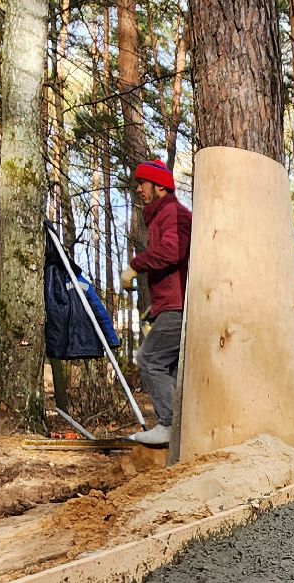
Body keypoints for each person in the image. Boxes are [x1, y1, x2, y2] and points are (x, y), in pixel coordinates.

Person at [121, 161, 192, 447]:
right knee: (170, 369)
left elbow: (173, 251)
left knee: (150, 359)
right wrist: (157, 305)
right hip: (172, 304)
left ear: (160, 186)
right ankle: (180, 432)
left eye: (143, 183)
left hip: (178, 306)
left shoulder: (173, 212)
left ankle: (168, 426)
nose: (138, 189)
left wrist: (135, 266)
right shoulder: (163, 215)